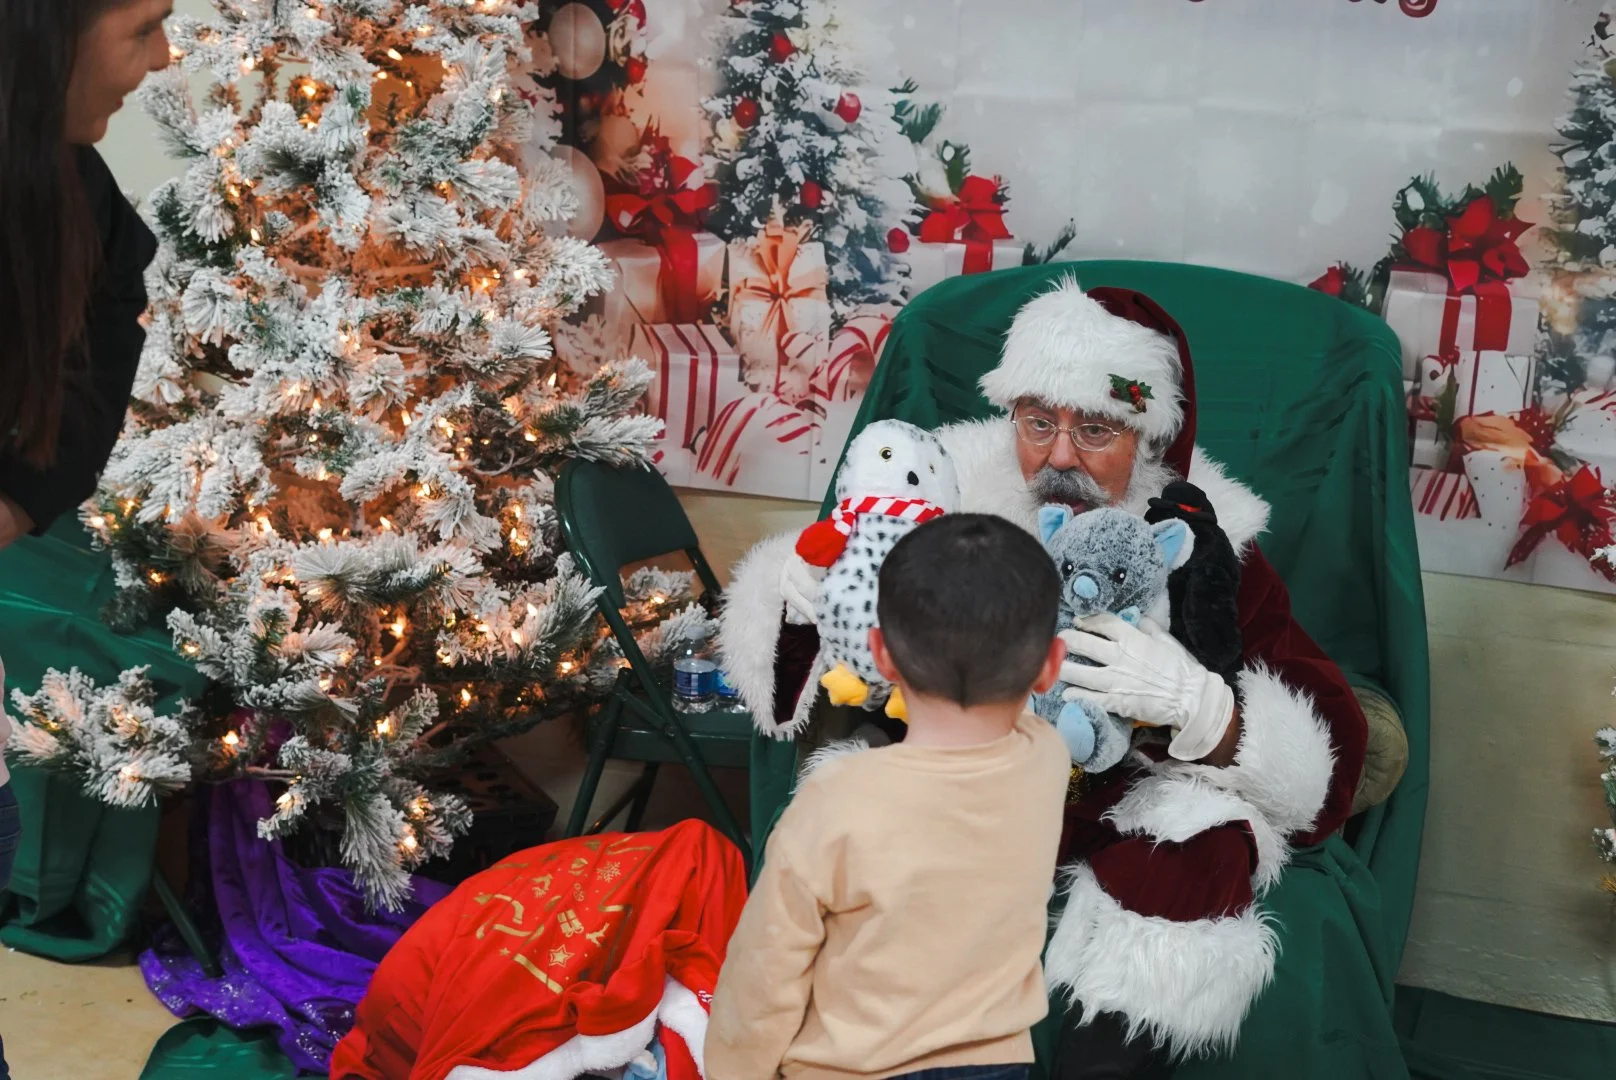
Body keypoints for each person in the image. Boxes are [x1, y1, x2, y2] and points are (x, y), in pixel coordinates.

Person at [718, 279, 1369, 1071]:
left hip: (1118, 798)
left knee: (1208, 841)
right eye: (1038, 423)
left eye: (1095, 429)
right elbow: (794, 679)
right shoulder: (945, 485)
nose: (1059, 455)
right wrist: (799, 599)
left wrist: (1202, 711)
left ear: (1147, 434)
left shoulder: (1211, 540)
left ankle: (1108, 1059)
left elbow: (1329, 766)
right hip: (959, 772)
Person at [706, 514, 1073, 1080]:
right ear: (1052, 665)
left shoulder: (839, 796)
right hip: (995, 1063)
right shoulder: (1046, 757)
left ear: (879, 654)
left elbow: (767, 965)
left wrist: (735, 1070)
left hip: (852, 1068)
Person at [0, 3, 172, 1075]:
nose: (165, 58)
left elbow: (109, 332)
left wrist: (21, 496)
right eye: (143, 27)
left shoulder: (75, 189)